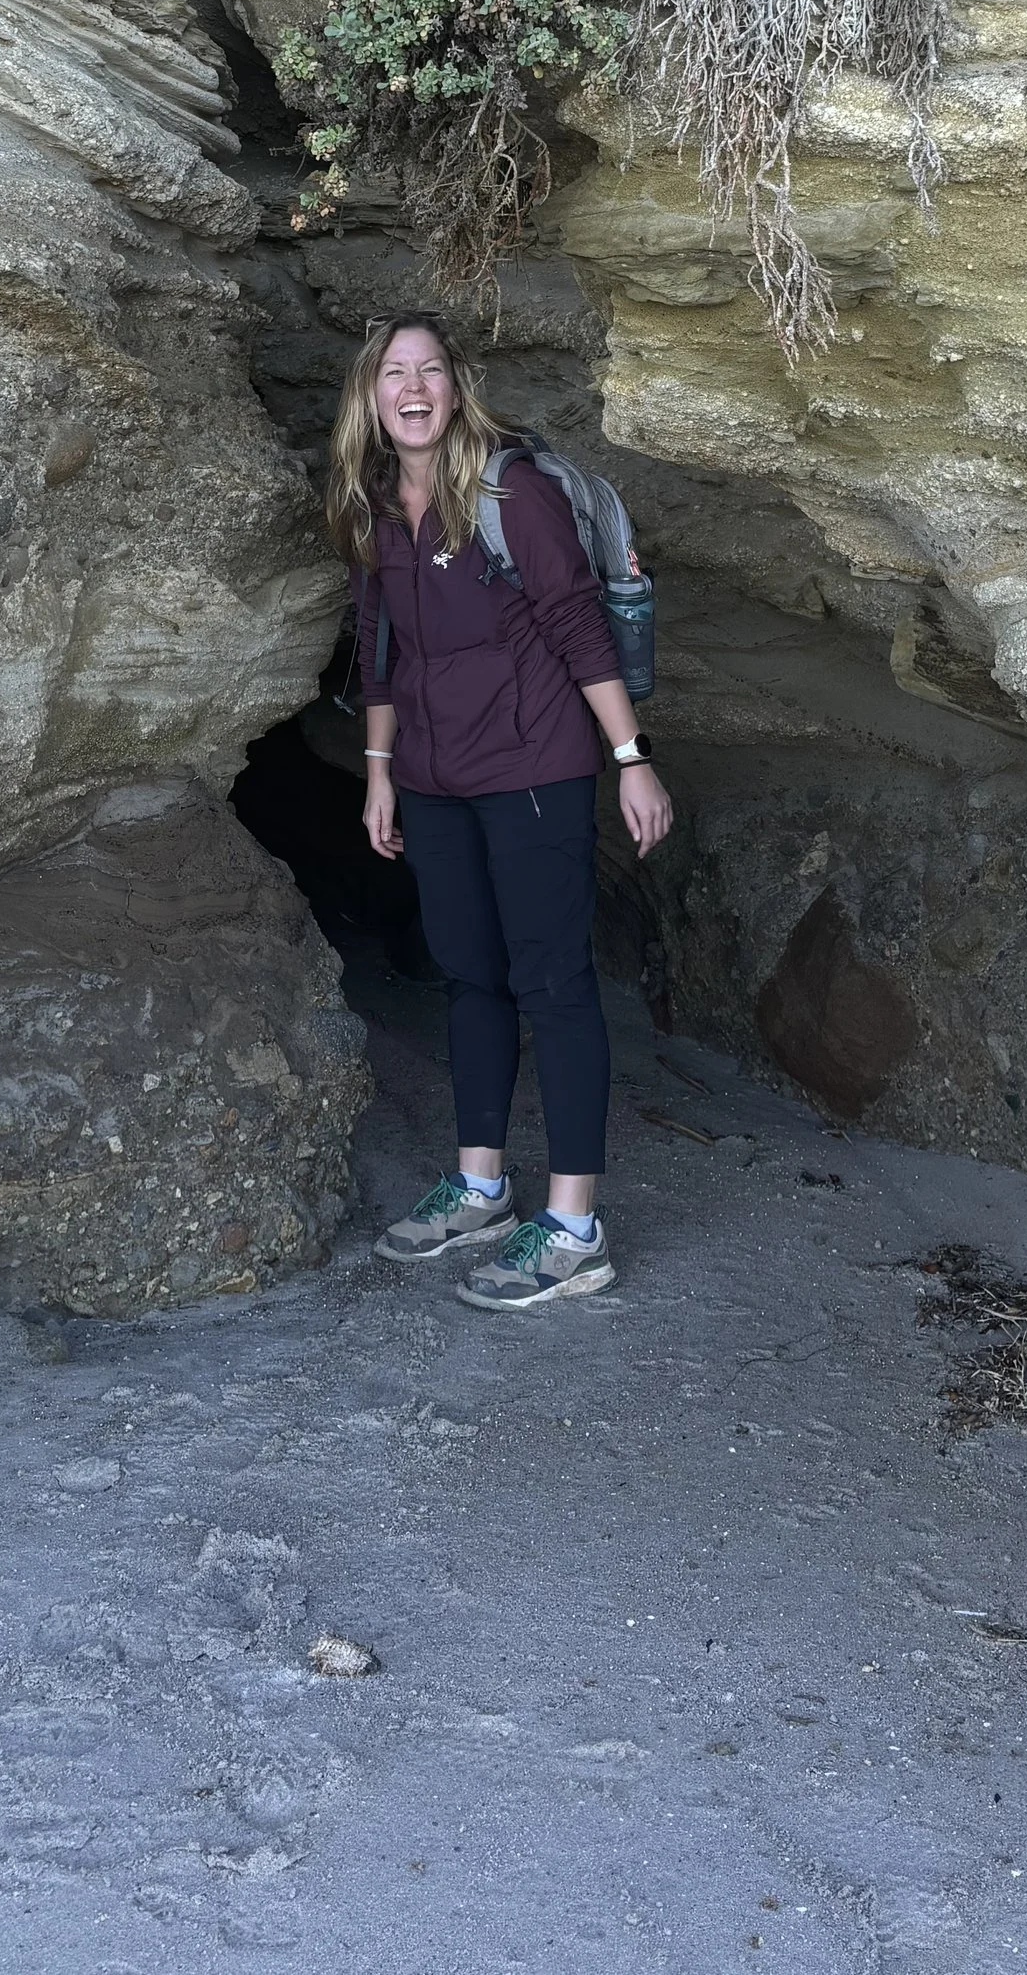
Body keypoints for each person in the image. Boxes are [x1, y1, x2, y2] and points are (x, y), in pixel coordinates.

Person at [326, 308, 673, 1309]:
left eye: (430, 368)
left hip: (533, 769)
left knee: (552, 982)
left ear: (455, 386)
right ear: (372, 395)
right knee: (470, 977)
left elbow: (574, 623)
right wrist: (381, 774)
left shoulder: (510, 489)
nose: (413, 386)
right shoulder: (376, 503)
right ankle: (481, 1186)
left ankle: (573, 1227)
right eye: (394, 371)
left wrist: (629, 759)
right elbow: (377, 648)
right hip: (433, 778)